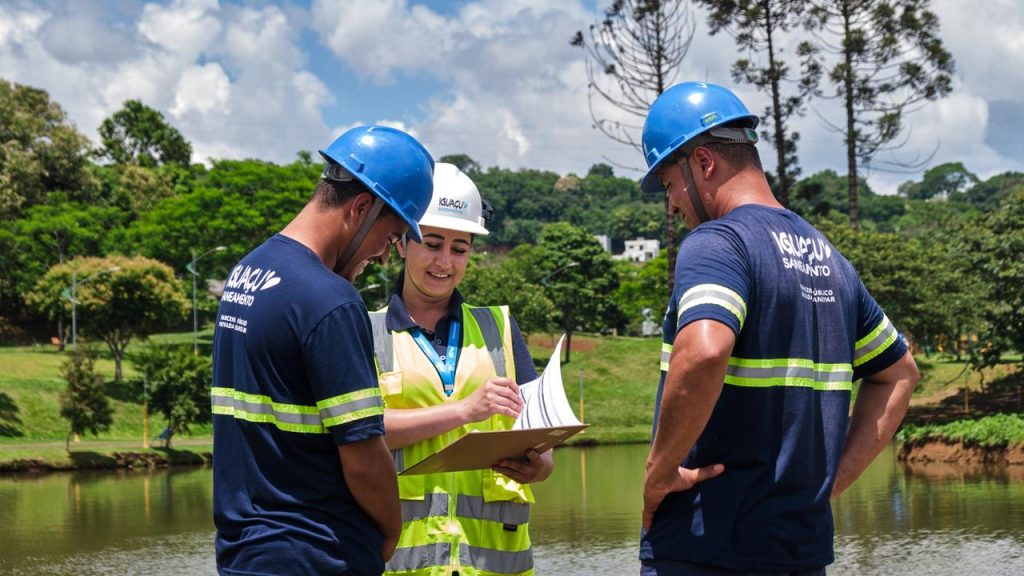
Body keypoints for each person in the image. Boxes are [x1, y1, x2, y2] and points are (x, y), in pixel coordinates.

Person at [636, 82, 920, 575]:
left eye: (668, 185)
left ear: (703, 163)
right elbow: (899, 376)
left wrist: (658, 475)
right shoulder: (830, 260)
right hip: (799, 551)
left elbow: (704, 351)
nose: (673, 205)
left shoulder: (718, 243)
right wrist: (832, 483)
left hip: (706, 546)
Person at [211, 125, 435, 576]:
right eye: (391, 239)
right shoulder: (329, 300)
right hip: (317, 552)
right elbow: (363, 457)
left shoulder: (248, 272)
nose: (385, 257)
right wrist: (391, 530)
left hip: (248, 552)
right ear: (361, 208)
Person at [366, 163, 553, 576]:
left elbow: (542, 431)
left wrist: (540, 467)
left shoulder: (499, 327)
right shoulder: (367, 331)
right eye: (432, 243)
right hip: (404, 564)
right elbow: (359, 426)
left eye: (460, 248)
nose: (444, 262)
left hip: (495, 564)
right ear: (401, 244)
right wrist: (465, 411)